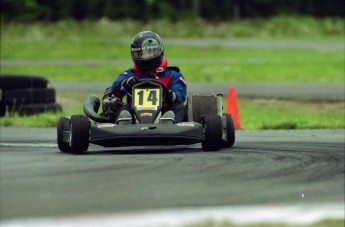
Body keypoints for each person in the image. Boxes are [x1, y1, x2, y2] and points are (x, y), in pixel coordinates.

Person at [111, 31, 187, 124]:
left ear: (160, 51)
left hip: (164, 111)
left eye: (149, 52)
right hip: (135, 113)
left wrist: (171, 96)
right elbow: (114, 89)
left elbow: (180, 96)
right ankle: (124, 123)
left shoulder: (172, 74)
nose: (145, 57)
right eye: (140, 53)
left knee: (180, 108)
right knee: (125, 108)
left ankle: (168, 123)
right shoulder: (130, 74)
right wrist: (125, 83)